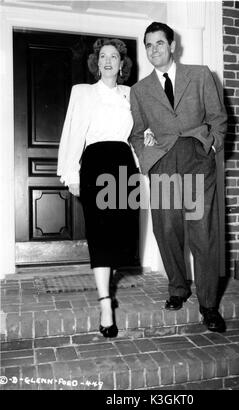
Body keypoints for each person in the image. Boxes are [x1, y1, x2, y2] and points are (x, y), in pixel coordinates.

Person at [129, 22, 228, 333]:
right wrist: (149, 158)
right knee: (168, 229)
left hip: (198, 159)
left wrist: (211, 145)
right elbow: (134, 133)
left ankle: (209, 305)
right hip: (163, 162)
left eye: (159, 43)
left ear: (172, 46)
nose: (154, 50)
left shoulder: (200, 75)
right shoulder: (139, 90)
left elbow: (218, 119)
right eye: (148, 45)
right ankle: (178, 289)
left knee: (203, 233)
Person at [57, 37, 154, 338]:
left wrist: (149, 139)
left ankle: (107, 292)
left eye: (114, 56)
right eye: (103, 56)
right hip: (96, 163)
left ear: (122, 64)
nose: (108, 60)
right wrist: (70, 172)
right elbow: (73, 131)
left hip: (125, 164)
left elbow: (141, 131)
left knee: (119, 237)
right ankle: (105, 305)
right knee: (100, 235)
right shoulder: (83, 92)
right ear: (96, 63)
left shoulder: (131, 94)